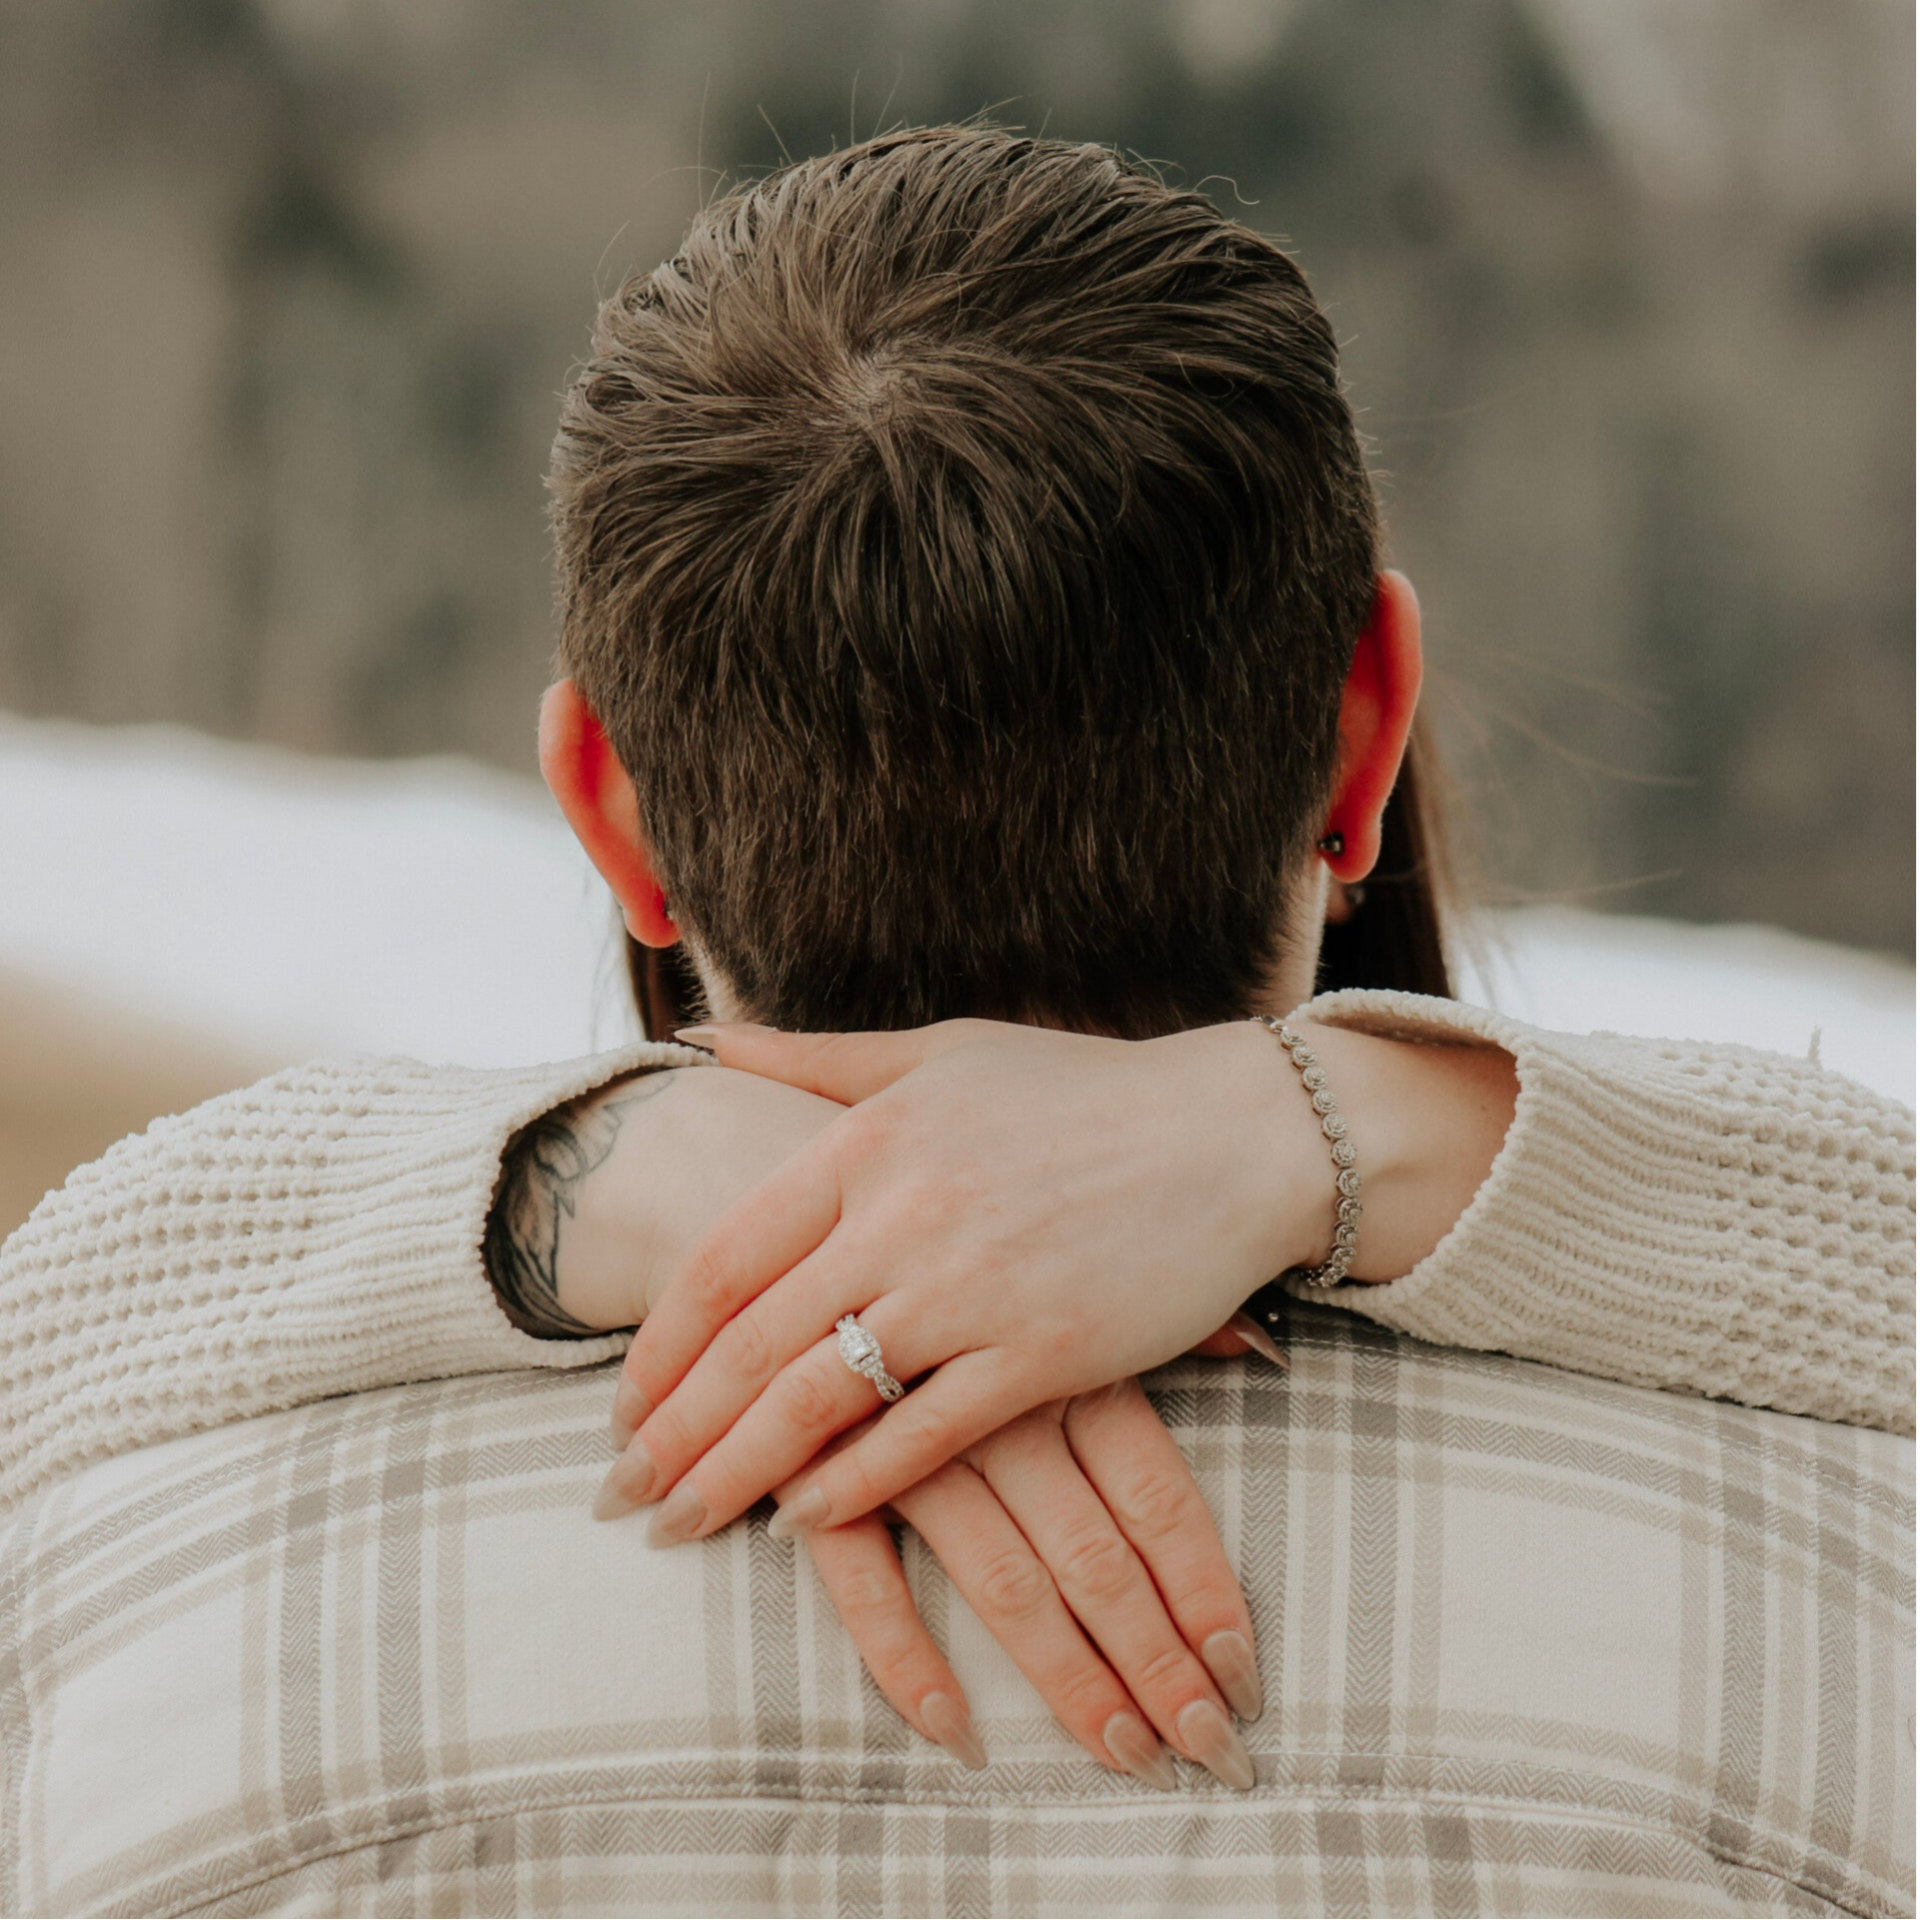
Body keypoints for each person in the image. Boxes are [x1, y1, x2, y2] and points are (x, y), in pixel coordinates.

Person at [2, 127, 1913, 1915]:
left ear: (606, 807)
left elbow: (62, 1337)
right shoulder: (1844, 1586)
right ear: (1368, 726)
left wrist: (561, 1177)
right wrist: (1347, 1131)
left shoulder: (139, 1593)